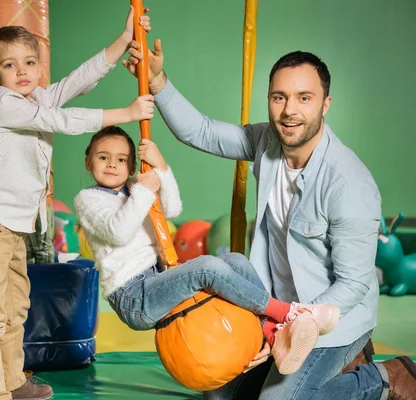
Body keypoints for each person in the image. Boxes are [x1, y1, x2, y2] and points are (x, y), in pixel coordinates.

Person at [123, 37, 416, 399]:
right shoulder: (268, 141)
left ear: (325, 104)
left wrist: (290, 328)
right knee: (218, 394)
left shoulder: (349, 185)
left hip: (330, 319)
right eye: (279, 97)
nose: (289, 110)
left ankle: (384, 379)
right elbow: (200, 132)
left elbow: (352, 286)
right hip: (271, 307)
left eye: (304, 98)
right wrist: (156, 81)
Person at [0, 8, 154, 400]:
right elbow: (65, 121)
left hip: (13, 228)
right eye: (10, 65)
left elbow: (80, 80)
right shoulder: (5, 105)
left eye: (30, 62)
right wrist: (127, 114)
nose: (22, 71)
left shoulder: (38, 99)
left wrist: (124, 38)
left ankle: (13, 381)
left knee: (16, 309)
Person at [74, 125, 341, 378]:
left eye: (121, 160)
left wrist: (162, 168)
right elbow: (118, 231)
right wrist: (144, 190)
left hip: (155, 280)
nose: (112, 164)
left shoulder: (135, 188)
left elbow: (172, 208)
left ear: (131, 166)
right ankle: (288, 313)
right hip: (134, 296)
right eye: (103, 157)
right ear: (87, 162)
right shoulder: (89, 199)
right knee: (206, 269)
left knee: (235, 261)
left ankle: (272, 332)